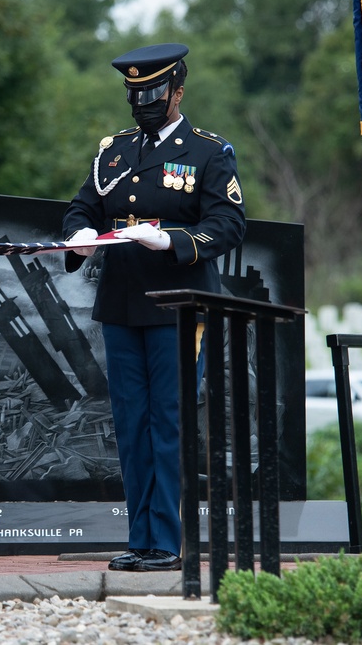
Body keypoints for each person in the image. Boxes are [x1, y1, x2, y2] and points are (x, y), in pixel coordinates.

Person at [62, 43, 247, 572]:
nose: (143, 101)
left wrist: (173, 242)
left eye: (154, 93)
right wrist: (77, 234)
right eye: (135, 93)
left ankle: (168, 541)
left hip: (178, 305)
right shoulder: (114, 152)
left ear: (178, 92)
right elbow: (84, 204)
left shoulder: (208, 152)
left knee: (169, 421)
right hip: (122, 302)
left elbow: (229, 225)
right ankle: (140, 537)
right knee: (130, 422)